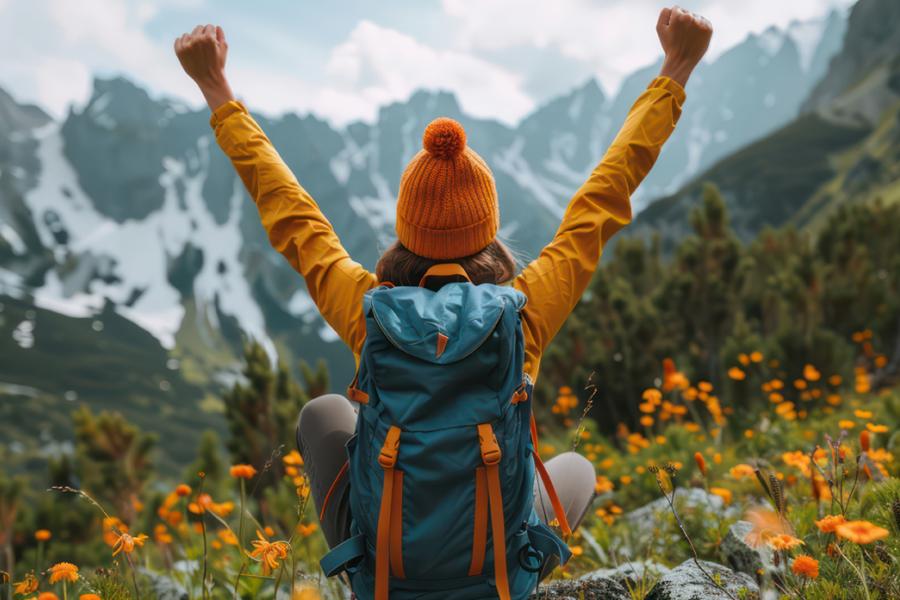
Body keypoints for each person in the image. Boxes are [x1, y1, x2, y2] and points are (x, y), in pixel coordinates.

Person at [175, 6, 711, 597]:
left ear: (406, 230)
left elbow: (292, 214)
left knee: (324, 413)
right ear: (490, 232)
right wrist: (675, 69)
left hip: (391, 577)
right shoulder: (522, 312)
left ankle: (368, 569)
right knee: (576, 470)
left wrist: (216, 90)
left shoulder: (369, 308)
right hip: (497, 578)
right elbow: (602, 198)